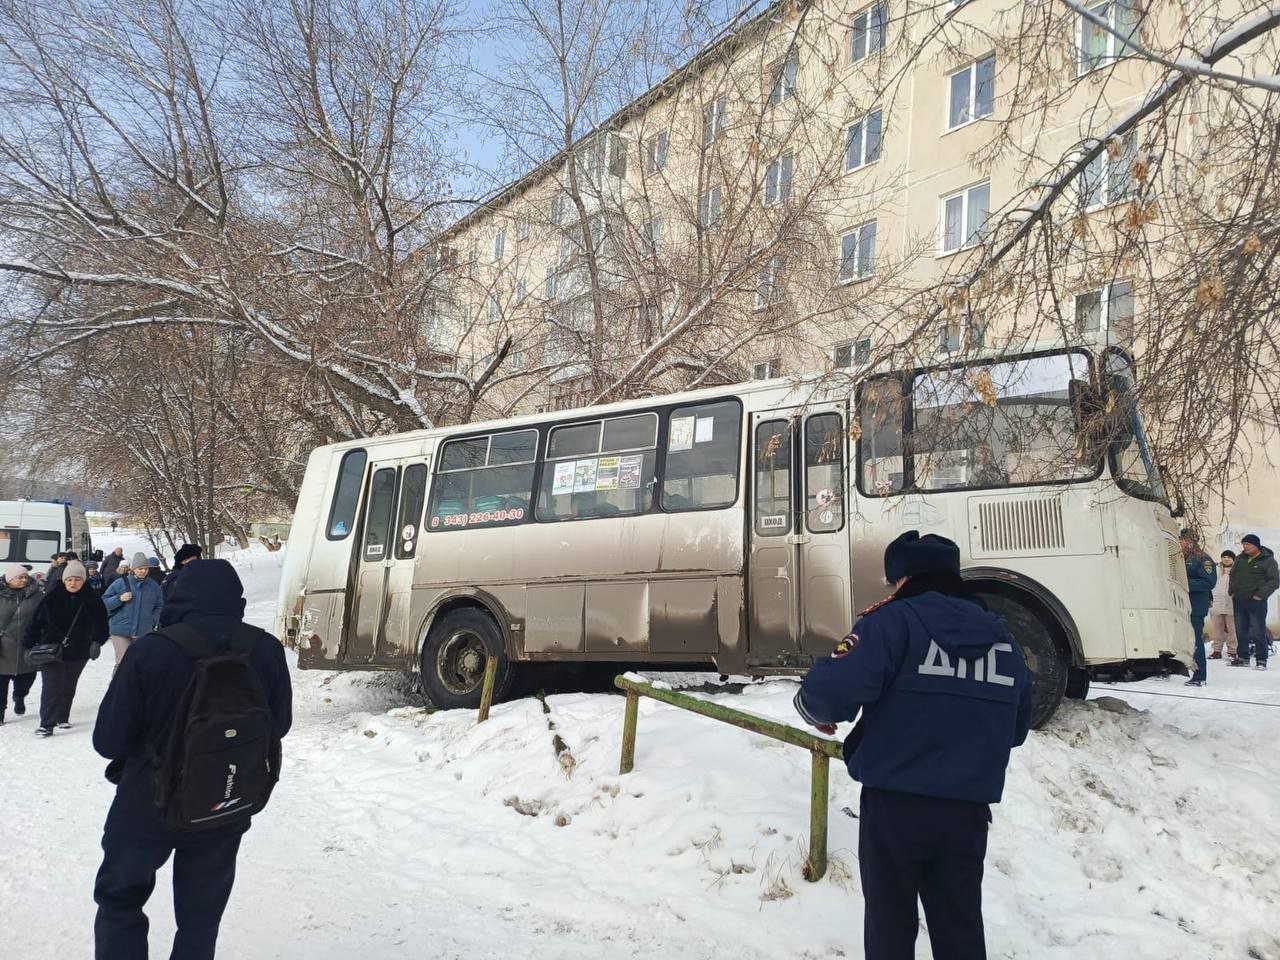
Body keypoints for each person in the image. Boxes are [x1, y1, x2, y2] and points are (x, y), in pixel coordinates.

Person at [794, 531, 1032, 960]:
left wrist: (811, 707)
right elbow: (1017, 727)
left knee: (890, 926)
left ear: (903, 578)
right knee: (959, 926)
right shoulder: (1002, 638)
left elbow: (830, 693)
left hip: (895, 807)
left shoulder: (892, 622)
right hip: (966, 812)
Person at [93, 559, 293, 960]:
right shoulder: (264, 648)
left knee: (121, 901)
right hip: (224, 798)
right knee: (201, 917)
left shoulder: (152, 649)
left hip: (146, 803)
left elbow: (108, 740)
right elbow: (280, 724)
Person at [23, 559, 109, 735]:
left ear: (83, 580)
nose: (73, 583)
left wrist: (97, 642)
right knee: (51, 687)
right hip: (51, 649)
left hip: (79, 651)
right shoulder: (51, 598)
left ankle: (62, 717)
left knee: (68, 685)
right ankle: (47, 724)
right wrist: (28, 645)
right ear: (64, 580)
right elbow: (35, 623)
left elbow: (102, 626)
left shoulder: (93, 600)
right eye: (69, 579)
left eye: (77, 579)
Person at [102, 553, 164, 667]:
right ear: (133, 569)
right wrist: (119, 599)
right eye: (140, 568)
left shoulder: (154, 586)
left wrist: (153, 620)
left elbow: (159, 605)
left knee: (141, 664)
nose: (143, 571)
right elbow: (103, 602)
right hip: (121, 630)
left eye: (146, 569)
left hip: (143, 630)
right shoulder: (120, 583)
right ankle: (118, 684)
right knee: (123, 664)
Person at [0, 563, 42, 724]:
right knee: (1, 682)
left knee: (26, 679)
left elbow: (43, 616)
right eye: (20, 577)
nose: (24, 580)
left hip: (27, 643)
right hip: (3, 645)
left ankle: (19, 696)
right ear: (10, 578)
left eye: (26, 577)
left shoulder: (36, 595)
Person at [1229, 534, 1278, 670]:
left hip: (1257, 602)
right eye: (1244, 544)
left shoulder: (1268, 561)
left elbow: (1274, 581)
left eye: (1248, 544)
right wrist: (1232, 591)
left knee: (1257, 630)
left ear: (1256, 546)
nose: (1245, 547)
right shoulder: (1240, 559)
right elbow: (1232, 575)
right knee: (1240, 630)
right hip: (1239, 600)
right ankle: (1243, 657)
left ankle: (1261, 659)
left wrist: (1260, 595)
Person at [1180, 530, 1216, 687]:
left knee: (1195, 641)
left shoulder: (1203, 559)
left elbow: (1208, 582)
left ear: (1190, 541)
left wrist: (1185, 584)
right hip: (1181, 606)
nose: (1180, 543)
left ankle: (1200, 675)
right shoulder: (1180, 558)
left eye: (1182, 540)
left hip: (1195, 607)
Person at [1209, 551, 1237, 660]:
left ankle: (1233, 651)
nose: (1226, 559)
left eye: (1229, 557)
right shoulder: (1215, 569)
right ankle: (1216, 650)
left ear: (1233, 559)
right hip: (1216, 602)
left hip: (1232, 602)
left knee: (1232, 629)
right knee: (1217, 629)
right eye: (1224, 557)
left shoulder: (1237, 570)